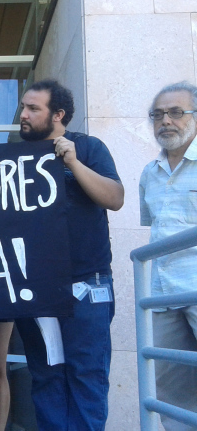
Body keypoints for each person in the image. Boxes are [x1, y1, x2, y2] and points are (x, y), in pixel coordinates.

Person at [0, 80, 124, 430]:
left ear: (58, 115)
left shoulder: (88, 147)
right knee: (46, 376)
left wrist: (73, 162)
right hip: (36, 289)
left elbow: (115, 198)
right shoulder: (12, 157)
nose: (23, 115)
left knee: (86, 374)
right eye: (23, 107)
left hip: (87, 285)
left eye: (33, 109)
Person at [140, 81, 197, 430]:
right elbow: (154, 229)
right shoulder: (150, 173)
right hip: (162, 296)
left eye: (177, 112)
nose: (166, 121)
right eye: (158, 114)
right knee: (170, 393)